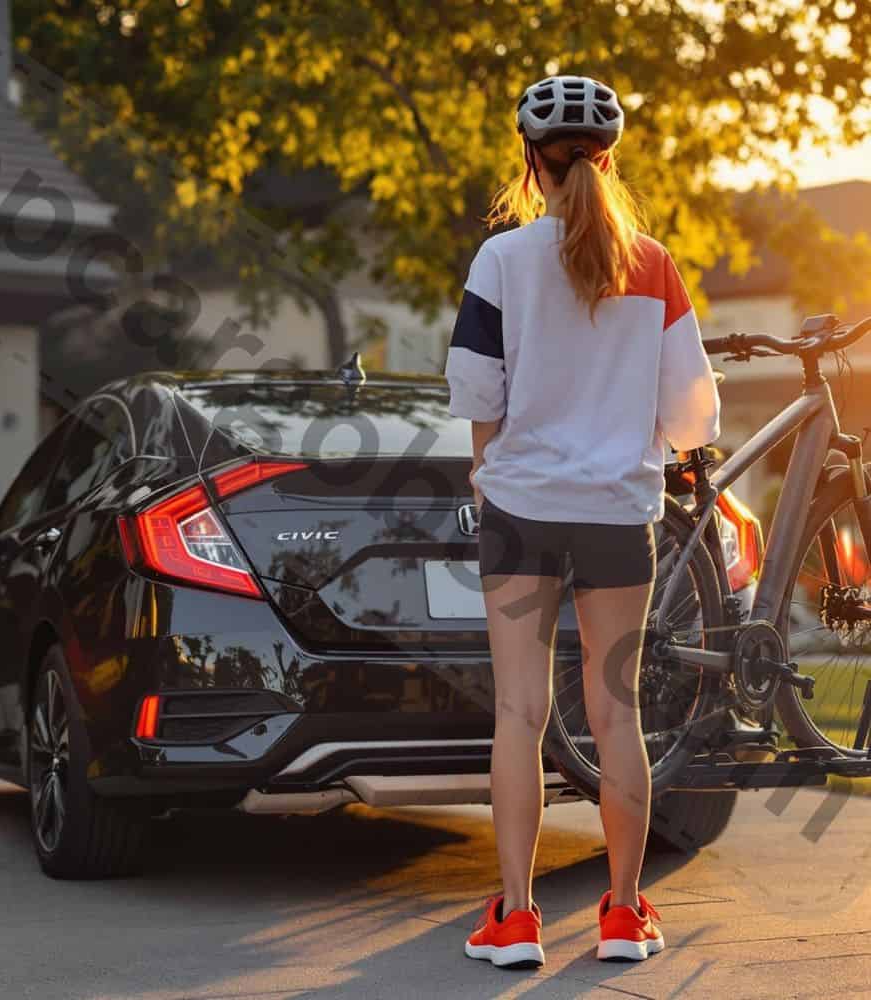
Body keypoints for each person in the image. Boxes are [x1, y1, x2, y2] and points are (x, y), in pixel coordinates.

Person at [445, 74, 721, 970]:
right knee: (618, 717)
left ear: (532, 159)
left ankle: (516, 920)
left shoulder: (501, 261)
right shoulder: (654, 265)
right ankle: (623, 914)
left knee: (520, 714)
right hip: (617, 515)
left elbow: (477, 393)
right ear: (608, 159)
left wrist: (491, 463)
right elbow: (694, 421)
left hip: (520, 511)